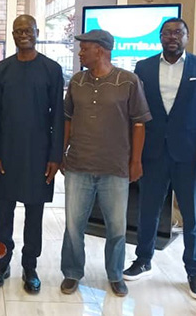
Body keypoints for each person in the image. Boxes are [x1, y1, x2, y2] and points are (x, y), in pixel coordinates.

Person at [123, 18, 196, 300]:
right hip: (153, 152)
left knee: (192, 216)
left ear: (187, 36)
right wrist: (134, 154)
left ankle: (194, 271)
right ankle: (143, 260)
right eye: (167, 33)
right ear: (160, 37)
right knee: (147, 210)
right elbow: (136, 113)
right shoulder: (144, 67)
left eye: (178, 32)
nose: (173, 37)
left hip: (189, 153)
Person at [60, 29, 151, 298]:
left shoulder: (129, 81)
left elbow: (139, 124)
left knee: (116, 228)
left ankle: (115, 274)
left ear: (100, 50)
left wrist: (136, 161)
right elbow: (67, 119)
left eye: (84, 48)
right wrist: (61, 152)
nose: (80, 53)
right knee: (73, 226)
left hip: (115, 168)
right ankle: (72, 272)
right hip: (78, 166)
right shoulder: (77, 81)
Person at [0, 15, 64, 294]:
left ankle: (30, 266)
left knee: (34, 214)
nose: (23, 35)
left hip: (39, 155)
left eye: (27, 30)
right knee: (4, 213)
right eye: (18, 31)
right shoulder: (2, 69)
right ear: (12, 35)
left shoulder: (52, 69)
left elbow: (58, 117)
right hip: (6, 154)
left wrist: (55, 157)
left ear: (37, 32)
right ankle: (2, 263)